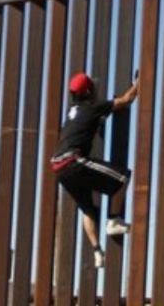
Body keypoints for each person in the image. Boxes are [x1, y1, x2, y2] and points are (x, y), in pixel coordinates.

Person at [50, 71, 139, 268]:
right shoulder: (93, 107)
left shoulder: (73, 111)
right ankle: (114, 219)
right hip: (73, 161)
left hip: (58, 167)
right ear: (90, 91)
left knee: (88, 209)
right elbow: (126, 100)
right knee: (123, 177)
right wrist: (138, 84)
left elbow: (88, 123)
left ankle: (97, 251)